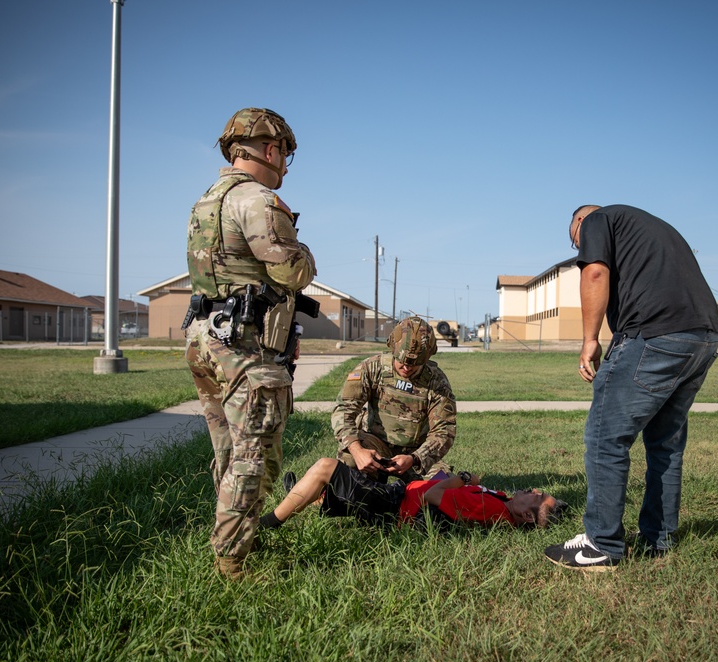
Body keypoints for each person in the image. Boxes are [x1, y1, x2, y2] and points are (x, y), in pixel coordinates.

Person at [544, 204, 718, 572]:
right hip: (702, 337)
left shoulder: (596, 219)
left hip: (656, 333)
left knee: (605, 435)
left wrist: (590, 339)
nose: (581, 250)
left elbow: (595, 274)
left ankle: (601, 544)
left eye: (576, 244)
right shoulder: (655, 229)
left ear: (579, 223)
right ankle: (659, 539)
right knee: (664, 443)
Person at [184, 107, 316, 580]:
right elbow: (289, 268)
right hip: (244, 348)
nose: (284, 165)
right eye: (284, 155)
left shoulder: (207, 199)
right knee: (254, 457)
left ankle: (234, 539)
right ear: (270, 149)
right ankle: (233, 566)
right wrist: (307, 255)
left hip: (206, 338)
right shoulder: (259, 200)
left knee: (229, 452)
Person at [261, 458, 567, 532]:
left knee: (328, 467)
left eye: (538, 498)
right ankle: (310, 495)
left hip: (396, 508)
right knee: (341, 484)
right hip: (401, 495)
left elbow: (434, 497)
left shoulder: (492, 511)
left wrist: (458, 479)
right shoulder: (502, 501)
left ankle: (267, 522)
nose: (535, 490)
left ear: (527, 516)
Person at [330, 316, 457, 483]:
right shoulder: (372, 368)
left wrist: (415, 458)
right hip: (375, 447)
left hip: (414, 456)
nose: (406, 368)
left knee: (443, 485)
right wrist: (357, 450)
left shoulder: (436, 382)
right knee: (350, 459)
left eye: (414, 364)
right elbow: (344, 409)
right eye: (401, 361)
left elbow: (444, 431)